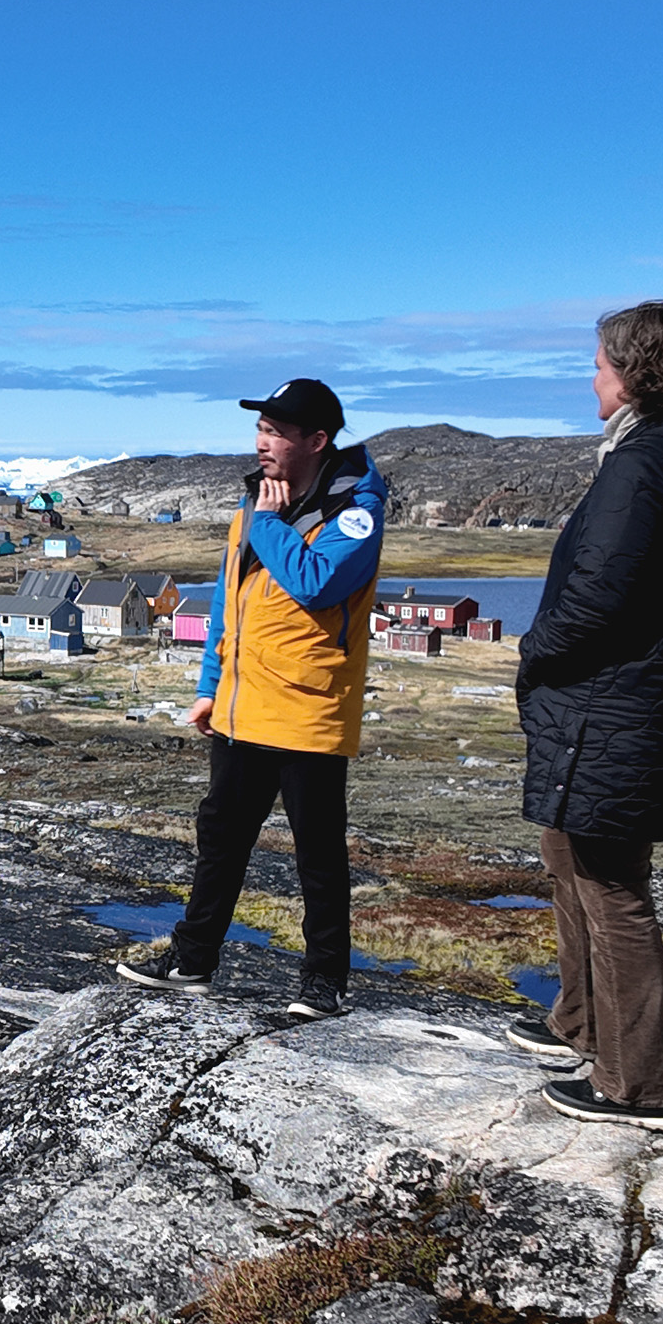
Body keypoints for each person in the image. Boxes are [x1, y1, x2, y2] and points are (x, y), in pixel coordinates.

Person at [507, 299, 663, 1131]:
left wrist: (533, 652)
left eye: (602, 364)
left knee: (610, 880)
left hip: (622, 706)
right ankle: (581, 1023)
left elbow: (598, 599)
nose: (593, 378)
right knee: (566, 846)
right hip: (641, 703)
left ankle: (641, 1084)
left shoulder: (644, 464)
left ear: (636, 372)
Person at [118, 377, 388, 1017]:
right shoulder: (251, 510)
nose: (262, 443)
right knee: (222, 837)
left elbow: (316, 583)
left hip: (308, 710)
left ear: (317, 441)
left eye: (276, 433)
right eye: (260, 430)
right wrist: (210, 689)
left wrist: (267, 523)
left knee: (317, 852)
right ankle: (192, 959)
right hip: (243, 706)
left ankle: (324, 981)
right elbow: (227, 614)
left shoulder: (355, 511)